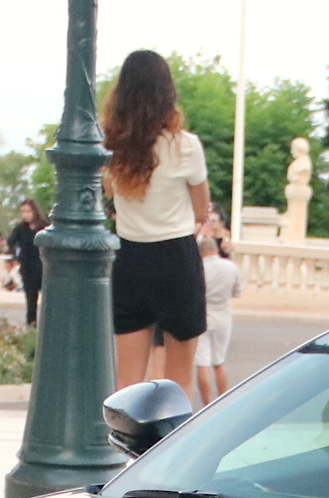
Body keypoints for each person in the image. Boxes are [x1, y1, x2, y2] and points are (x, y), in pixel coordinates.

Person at [102, 50, 211, 399]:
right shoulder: (185, 146)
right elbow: (200, 210)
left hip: (130, 257)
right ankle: (173, 451)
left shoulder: (111, 147)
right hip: (175, 256)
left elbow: (110, 198)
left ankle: (125, 452)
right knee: (178, 381)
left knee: (127, 384)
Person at [197, 234, 242, 402]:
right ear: (216, 250)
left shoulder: (198, 267)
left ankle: (206, 403)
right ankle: (222, 401)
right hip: (223, 315)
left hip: (202, 313)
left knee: (202, 363)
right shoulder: (231, 267)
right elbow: (237, 292)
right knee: (219, 361)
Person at [8, 197, 46, 325]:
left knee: (47, 298)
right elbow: (11, 242)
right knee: (31, 299)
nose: (25, 214)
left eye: (28, 211)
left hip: (43, 266)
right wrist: (15, 257)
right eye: (23, 211)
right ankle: (31, 324)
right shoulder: (20, 228)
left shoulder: (44, 226)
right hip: (27, 267)